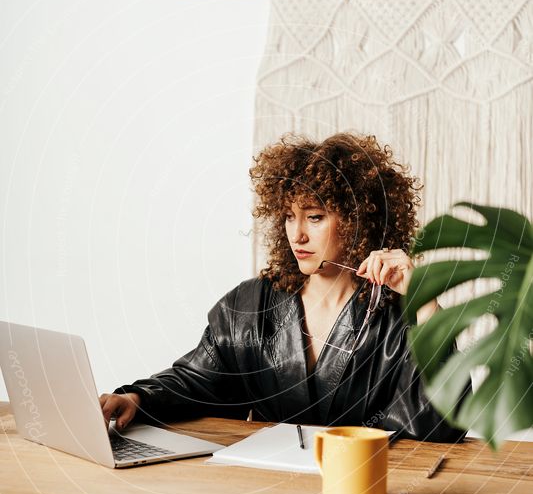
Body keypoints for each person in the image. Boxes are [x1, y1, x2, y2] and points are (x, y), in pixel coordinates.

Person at [99, 132, 470, 442]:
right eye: (290, 217)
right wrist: (138, 398)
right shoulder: (250, 305)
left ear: (359, 221)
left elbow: (438, 427)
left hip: (364, 491)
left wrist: (426, 306)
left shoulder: (400, 314)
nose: (299, 234)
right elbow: (198, 380)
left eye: (315, 216)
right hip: (264, 492)